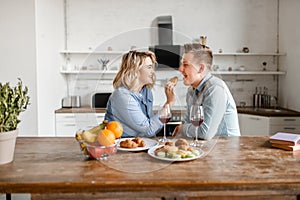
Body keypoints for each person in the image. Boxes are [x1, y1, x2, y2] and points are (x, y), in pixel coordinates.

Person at [173, 43, 240, 140]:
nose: (180, 69)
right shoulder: (191, 90)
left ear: (200, 68)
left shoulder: (215, 89)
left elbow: (205, 133)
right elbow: (188, 122)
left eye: (185, 65)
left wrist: (182, 129)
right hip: (206, 147)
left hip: (226, 148)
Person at [105, 50, 176, 137]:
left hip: (143, 144)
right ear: (135, 70)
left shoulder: (146, 90)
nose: (152, 72)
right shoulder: (123, 96)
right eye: (149, 67)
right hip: (124, 147)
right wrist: (169, 103)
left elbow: (151, 126)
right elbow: (149, 129)